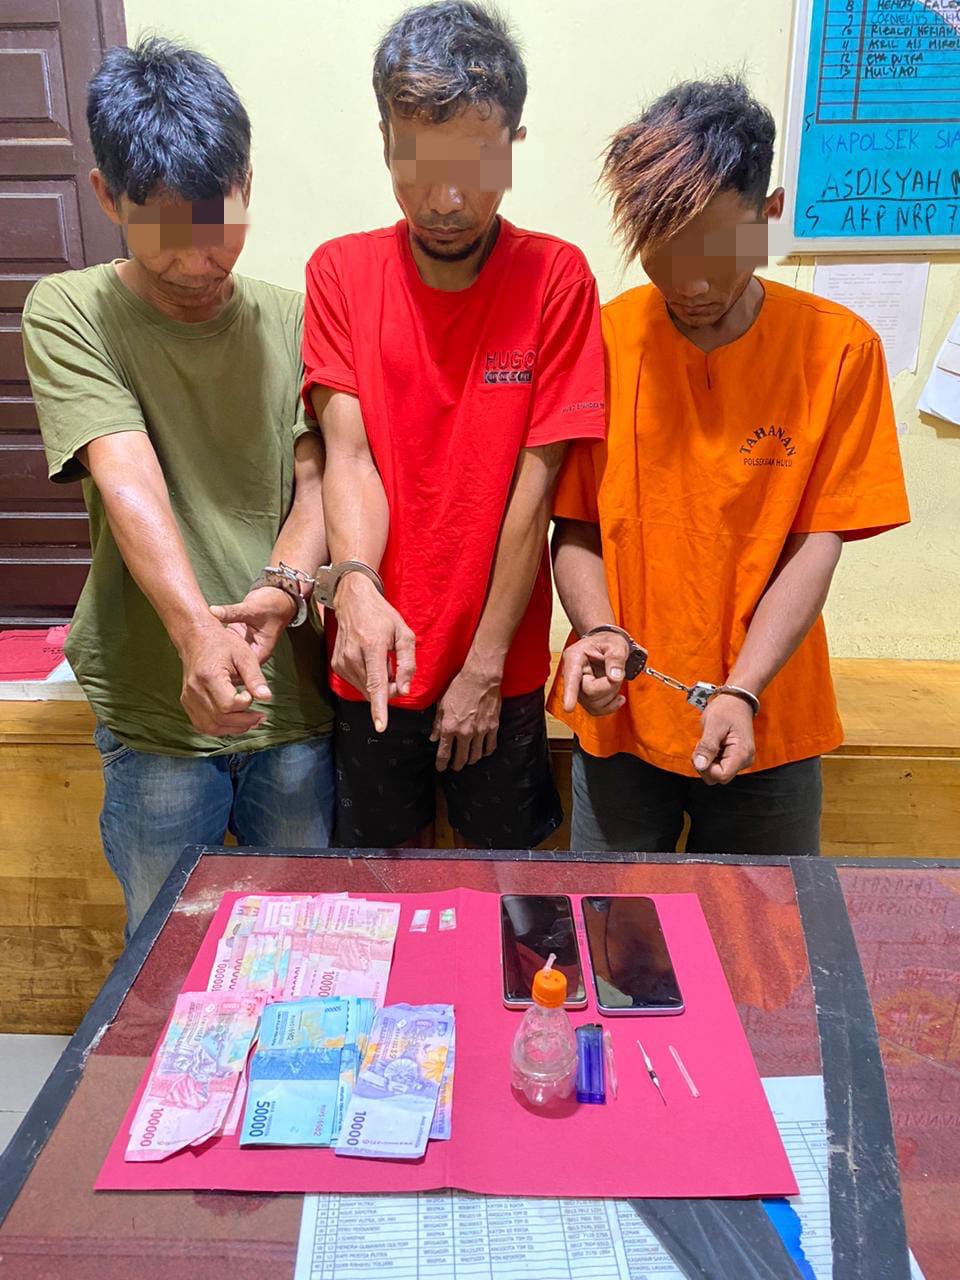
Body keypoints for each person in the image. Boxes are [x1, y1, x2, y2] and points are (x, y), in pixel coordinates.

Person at [22, 38, 334, 936]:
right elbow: (126, 471)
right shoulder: (70, 310)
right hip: (157, 707)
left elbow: (317, 478)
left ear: (246, 184)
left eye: (218, 221)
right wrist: (198, 634)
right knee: (165, 960)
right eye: (165, 228)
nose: (199, 260)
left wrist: (283, 588)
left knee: (303, 949)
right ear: (106, 196)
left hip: (292, 703)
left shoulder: (296, 316)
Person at [551, 78, 909, 856]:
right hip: (623, 714)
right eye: (663, 248)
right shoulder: (603, 341)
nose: (691, 284)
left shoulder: (838, 349)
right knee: (612, 921)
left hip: (770, 713)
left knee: (765, 928)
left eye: (718, 249)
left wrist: (742, 688)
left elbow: (817, 542)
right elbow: (575, 527)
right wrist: (599, 628)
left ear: (770, 214)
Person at [303, 1, 605, 848]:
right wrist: (355, 588)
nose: (445, 199)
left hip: (498, 660)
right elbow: (348, 457)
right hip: (369, 650)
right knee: (377, 893)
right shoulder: (340, 272)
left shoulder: (555, 278)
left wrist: (484, 665)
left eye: (473, 165)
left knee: (510, 894)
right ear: (385, 142)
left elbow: (536, 490)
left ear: (511, 142)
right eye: (419, 165)